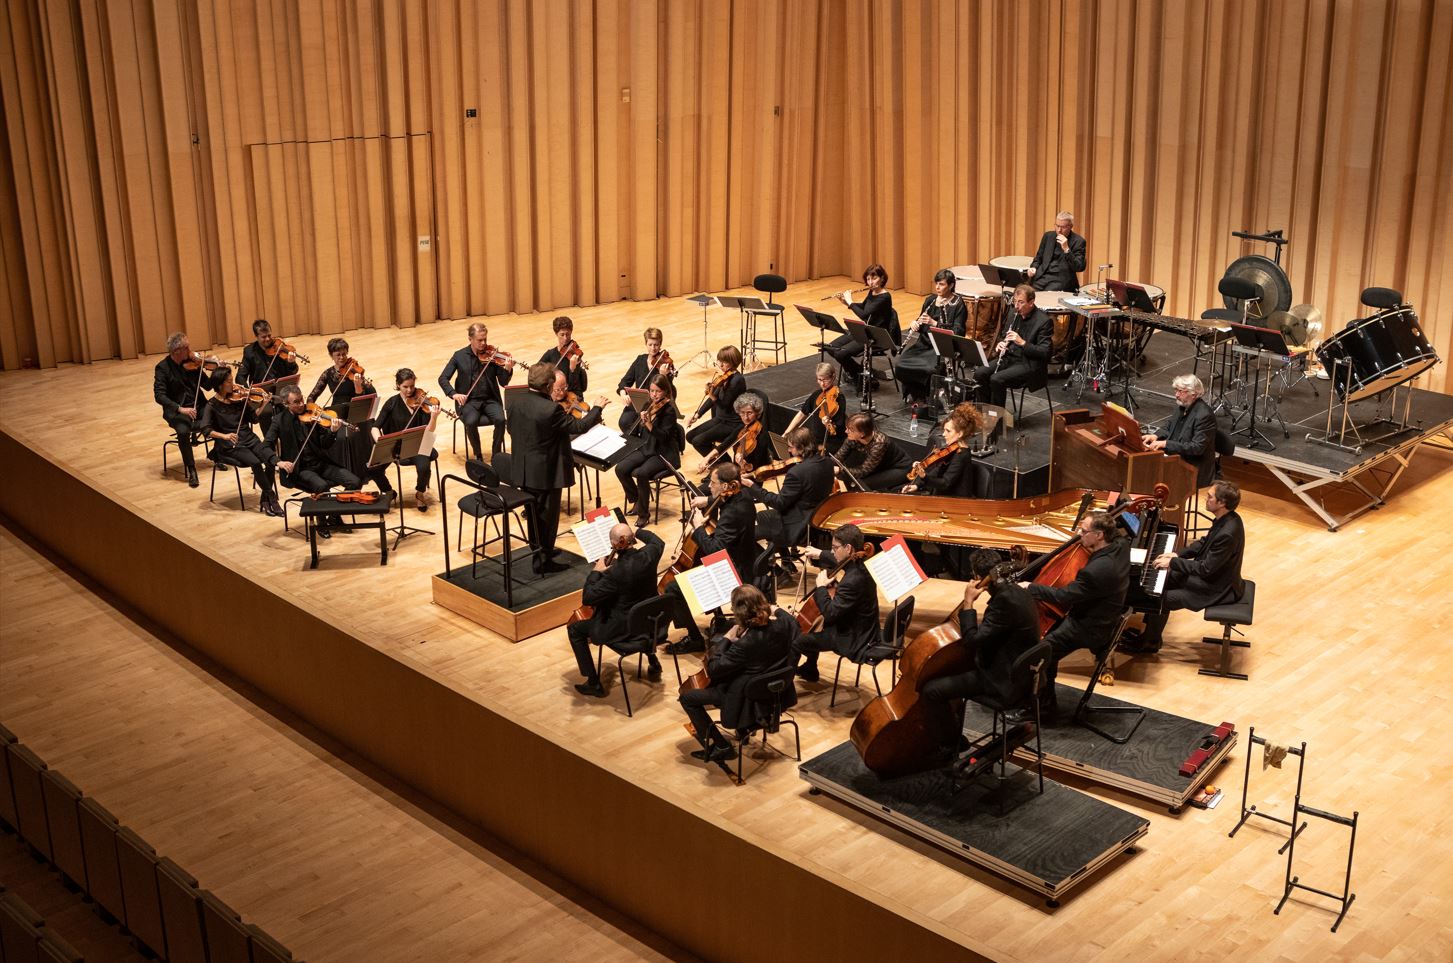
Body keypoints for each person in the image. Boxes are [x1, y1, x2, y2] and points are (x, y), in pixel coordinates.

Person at [919, 551, 1042, 752]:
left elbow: (972, 641)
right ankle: (949, 729)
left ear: (978, 577)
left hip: (1003, 682)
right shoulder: (1018, 591)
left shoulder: (1004, 602)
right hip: (1021, 674)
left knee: (932, 691)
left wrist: (968, 602)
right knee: (953, 671)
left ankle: (951, 743)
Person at [1019, 510, 1129, 720]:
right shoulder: (1121, 546)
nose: (1079, 535)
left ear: (1099, 535)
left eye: (1084, 531)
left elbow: (1064, 596)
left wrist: (1031, 587)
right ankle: (1041, 698)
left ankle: (1044, 708)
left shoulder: (1096, 571)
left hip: (1088, 627)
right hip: (1107, 617)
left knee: (1041, 653)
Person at [505, 363, 608, 576]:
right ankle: (543, 561)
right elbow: (579, 426)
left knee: (534, 515)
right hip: (545, 472)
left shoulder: (515, 401)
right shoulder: (550, 409)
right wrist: (597, 408)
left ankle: (540, 551)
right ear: (548, 385)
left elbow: (511, 429)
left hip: (524, 468)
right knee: (547, 518)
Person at [678, 585, 797, 765]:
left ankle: (721, 747)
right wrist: (774, 609)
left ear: (740, 614)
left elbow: (714, 669)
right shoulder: (783, 626)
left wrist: (727, 639)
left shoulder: (745, 644)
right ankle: (746, 726)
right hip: (773, 692)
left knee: (687, 698)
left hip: (743, 697)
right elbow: (792, 621)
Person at [1122, 480, 1246, 654]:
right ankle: (1149, 636)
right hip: (1209, 578)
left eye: (1210, 497)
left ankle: (1150, 643)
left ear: (1221, 503)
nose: (1206, 499)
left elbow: (1205, 569)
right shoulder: (1227, 519)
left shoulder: (1228, 533)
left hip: (1215, 588)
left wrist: (1173, 563)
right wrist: (1177, 555)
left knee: (1160, 598)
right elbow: (1203, 543)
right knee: (1159, 581)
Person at [664, 462, 757, 654]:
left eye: (713, 483)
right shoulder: (743, 495)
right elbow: (725, 498)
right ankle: (719, 619)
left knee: (672, 588)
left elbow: (715, 551)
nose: (709, 486)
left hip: (733, 571)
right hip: (744, 558)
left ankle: (694, 639)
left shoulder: (732, 513)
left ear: (725, 485)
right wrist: (707, 500)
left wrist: (698, 527)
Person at [568, 523, 667, 697]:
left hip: (625, 631)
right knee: (640, 610)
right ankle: (652, 660)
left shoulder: (614, 574)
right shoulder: (649, 556)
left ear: (615, 544)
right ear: (632, 540)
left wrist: (596, 572)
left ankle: (593, 683)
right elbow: (657, 541)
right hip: (651, 624)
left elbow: (588, 598)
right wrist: (636, 531)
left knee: (575, 630)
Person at [265, 384, 362, 535]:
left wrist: (332, 432)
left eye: (301, 399)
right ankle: (321, 521)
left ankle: (334, 516)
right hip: (301, 469)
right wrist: (279, 462)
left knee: (355, 482)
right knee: (322, 486)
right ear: (286, 404)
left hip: (321, 463)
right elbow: (265, 446)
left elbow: (325, 444)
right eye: (296, 402)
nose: (301, 404)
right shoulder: (279, 421)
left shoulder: (313, 415)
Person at [791, 524, 881, 683]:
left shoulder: (852, 581)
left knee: (796, 640)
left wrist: (821, 588)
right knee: (814, 626)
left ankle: (785, 687)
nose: (832, 551)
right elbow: (839, 559)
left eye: (834, 548)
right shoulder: (863, 563)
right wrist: (820, 553)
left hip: (852, 639)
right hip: (867, 628)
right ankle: (810, 669)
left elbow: (830, 614)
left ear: (848, 548)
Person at [199, 370, 284, 516]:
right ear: (219, 385)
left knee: (270, 460)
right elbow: (205, 429)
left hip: (249, 438)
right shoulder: (212, 405)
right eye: (229, 381)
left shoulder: (240, 399)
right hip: (230, 445)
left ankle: (265, 499)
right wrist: (224, 436)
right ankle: (272, 497)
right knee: (255, 462)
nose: (233, 384)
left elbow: (254, 419)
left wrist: (263, 404)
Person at [307, 337, 383, 489]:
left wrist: (358, 386)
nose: (342, 358)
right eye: (338, 355)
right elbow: (311, 397)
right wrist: (314, 410)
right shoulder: (328, 374)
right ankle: (345, 473)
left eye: (344, 354)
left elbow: (370, 394)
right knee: (339, 438)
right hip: (337, 413)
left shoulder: (355, 371)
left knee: (358, 436)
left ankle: (364, 471)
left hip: (357, 411)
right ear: (331, 356)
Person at [153, 332, 228, 487]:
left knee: (220, 415)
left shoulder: (193, 363)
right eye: (186, 348)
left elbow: (208, 386)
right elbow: (159, 396)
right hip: (178, 411)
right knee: (183, 431)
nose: (191, 351)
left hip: (198, 406)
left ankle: (217, 454)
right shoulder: (162, 368)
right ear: (176, 351)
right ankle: (191, 469)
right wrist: (180, 409)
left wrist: (218, 372)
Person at [741, 427, 834, 549]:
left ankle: (770, 556)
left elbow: (779, 503)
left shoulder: (796, 472)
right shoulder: (827, 462)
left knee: (746, 536)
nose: (788, 450)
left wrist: (752, 486)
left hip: (799, 526)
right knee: (762, 515)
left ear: (801, 448)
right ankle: (783, 556)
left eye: (790, 447)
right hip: (819, 517)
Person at [894, 269, 967, 409]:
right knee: (900, 365)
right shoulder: (931, 300)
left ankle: (928, 397)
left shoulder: (958, 304)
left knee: (929, 369)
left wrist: (935, 323)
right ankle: (917, 394)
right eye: (936, 284)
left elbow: (958, 331)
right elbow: (922, 321)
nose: (937, 287)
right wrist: (915, 324)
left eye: (941, 284)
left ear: (951, 285)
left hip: (942, 347)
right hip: (923, 344)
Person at [439, 322, 513, 460]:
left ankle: (496, 454)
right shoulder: (459, 356)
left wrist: (507, 369)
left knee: (501, 419)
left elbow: (503, 383)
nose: (483, 343)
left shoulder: (492, 355)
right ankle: (478, 455)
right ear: (470, 339)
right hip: (469, 402)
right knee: (471, 422)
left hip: (490, 399)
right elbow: (443, 378)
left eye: (485, 339)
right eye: (479, 340)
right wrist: (454, 394)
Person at [970, 284, 1053, 408]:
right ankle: (984, 411)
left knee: (996, 379)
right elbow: (1003, 335)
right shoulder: (1013, 313)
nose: (1016, 306)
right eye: (1015, 301)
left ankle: (997, 416)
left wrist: (1022, 342)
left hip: (1028, 364)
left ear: (1031, 302)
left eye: (1021, 302)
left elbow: (1045, 352)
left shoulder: (1044, 321)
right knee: (980, 373)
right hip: (1009, 358)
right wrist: (1000, 343)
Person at [615, 377, 681, 525]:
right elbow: (638, 430)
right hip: (646, 447)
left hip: (663, 452)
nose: (654, 395)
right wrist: (635, 428)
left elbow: (664, 437)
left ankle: (643, 514)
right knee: (621, 468)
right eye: (652, 391)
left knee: (642, 473)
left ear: (665, 391)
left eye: (658, 391)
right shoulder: (648, 404)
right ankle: (637, 501)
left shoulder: (669, 410)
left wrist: (649, 424)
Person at [375, 368, 442, 513]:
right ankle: (389, 492)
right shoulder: (392, 403)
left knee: (424, 467)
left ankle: (420, 493)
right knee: (373, 468)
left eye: (412, 386)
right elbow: (375, 427)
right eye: (405, 386)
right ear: (398, 385)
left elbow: (429, 431)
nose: (410, 390)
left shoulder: (423, 404)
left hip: (418, 445)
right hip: (396, 447)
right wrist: (380, 442)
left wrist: (433, 417)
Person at [827, 264, 899, 388]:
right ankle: (860, 373)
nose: (870, 282)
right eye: (868, 279)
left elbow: (864, 314)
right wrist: (846, 302)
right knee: (831, 347)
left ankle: (857, 376)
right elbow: (864, 307)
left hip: (876, 336)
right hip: (865, 331)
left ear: (882, 278)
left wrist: (850, 301)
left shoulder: (885, 297)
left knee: (840, 354)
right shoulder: (872, 292)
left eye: (874, 278)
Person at [1141, 373, 1218, 488]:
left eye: (1181, 391)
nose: (1176, 395)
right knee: (1145, 465)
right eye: (1176, 390)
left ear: (1193, 394)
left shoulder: (1204, 415)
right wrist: (1155, 436)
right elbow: (1169, 427)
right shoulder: (1182, 407)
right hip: (1176, 458)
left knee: (1150, 472)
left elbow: (1197, 448)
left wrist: (1166, 444)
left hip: (1193, 466)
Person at [901, 405, 980, 496]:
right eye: (944, 430)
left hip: (955, 499)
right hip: (943, 494)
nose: (943, 434)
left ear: (960, 434)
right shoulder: (952, 449)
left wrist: (924, 477)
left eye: (948, 431)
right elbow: (937, 471)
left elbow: (945, 483)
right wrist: (917, 485)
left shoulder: (961, 455)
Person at [694, 392, 773, 483]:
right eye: (742, 413)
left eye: (750, 413)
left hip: (750, 478)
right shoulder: (742, 427)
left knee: (711, 488)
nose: (746, 417)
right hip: (736, 472)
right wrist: (706, 458)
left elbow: (756, 467)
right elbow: (724, 445)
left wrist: (744, 465)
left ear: (757, 413)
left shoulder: (761, 435)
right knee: (706, 487)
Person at [238, 319, 299, 435]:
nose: (268, 339)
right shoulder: (249, 352)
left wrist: (291, 363)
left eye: (269, 335)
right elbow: (240, 376)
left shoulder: (279, 347)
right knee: (265, 413)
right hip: (261, 394)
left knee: (292, 407)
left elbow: (292, 372)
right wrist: (249, 393)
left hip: (280, 391)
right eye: (263, 337)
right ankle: (270, 440)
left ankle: (288, 439)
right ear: (256, 336)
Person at [686, 346, 746, 456]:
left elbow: (725, 405)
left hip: (732, 423)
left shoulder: (737, 380)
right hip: (720, 419)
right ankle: (717, 459)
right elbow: (711, 400)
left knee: (698, 441)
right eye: (720, 361)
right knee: (690, 436)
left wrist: (713, 396)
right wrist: (697, 415)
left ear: (733, 362)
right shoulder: (724, 377)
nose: (721, 365)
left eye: (725, 362)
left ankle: (724, 461)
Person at [616, 328, 677, 432]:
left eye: (656, 345)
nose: (653, 348)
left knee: (644, 427)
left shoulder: (665, 364)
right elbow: (625, 380)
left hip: (656, 405)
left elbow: (671, 393)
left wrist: (663, 376)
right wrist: (623, 394)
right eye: (650, 344)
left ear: (660, 344)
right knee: (624, 422)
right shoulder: (640, 360)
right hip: (639, 402)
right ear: (646, 344)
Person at [835, 413, 913, 492]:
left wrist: (840, 470)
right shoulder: (853, 438)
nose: (846, 431)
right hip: (879, 464)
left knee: (860, 484)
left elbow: (863, 471)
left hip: (899, 467)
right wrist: (829, 466)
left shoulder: (879, 443)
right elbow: (838, 457)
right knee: (849, 478)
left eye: (850, 430)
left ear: (862, 434)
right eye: (847, 428)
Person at [783, 363, 848, 453]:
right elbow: (802, 413)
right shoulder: (817, 394)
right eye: (819, 379)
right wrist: (787, 432)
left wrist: (828, 423)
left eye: (825, 380)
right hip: (815, 441)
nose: (822, 383)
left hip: (831, 442)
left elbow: (839, 424)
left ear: (833, 377)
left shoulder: (839, 398)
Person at [1026, 211, 1087, 292]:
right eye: (1057, 226)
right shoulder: (1048, 236)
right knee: (1025, 292)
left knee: (1045, 296)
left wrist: (1066, 249)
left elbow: (1079, 267)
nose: (1059, 230)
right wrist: (1033, 267)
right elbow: (1038, 258)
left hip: (1061, 280)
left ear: (1071, 226)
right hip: (1042, 276)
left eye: (1063, 227)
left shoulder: (1079, 241)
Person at [539, 316, 589, 397]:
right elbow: (537, 372)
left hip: (572, 395)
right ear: (556, 334)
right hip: (557, 394)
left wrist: (572, 369)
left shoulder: (574, 356)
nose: (565, 338)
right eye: (562, 335)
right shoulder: (550, 354)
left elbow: (572, 386)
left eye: (568, 334)